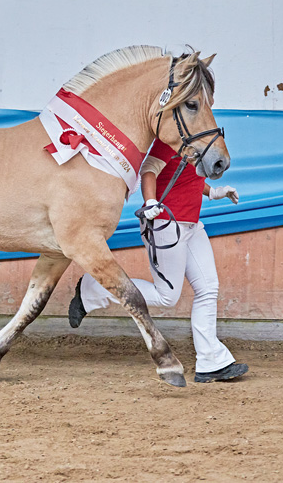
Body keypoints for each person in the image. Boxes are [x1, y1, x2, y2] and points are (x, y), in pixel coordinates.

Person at [68, 137, 249, 383]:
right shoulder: (170, 139)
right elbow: (149, 170)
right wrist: (150, 201)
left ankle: (211, 361)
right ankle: (93, 288)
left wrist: (214, 192)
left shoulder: (198, 139)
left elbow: (187, 177)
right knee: (167, 297)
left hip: (192, 224)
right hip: (165, 223)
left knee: (208, 288)